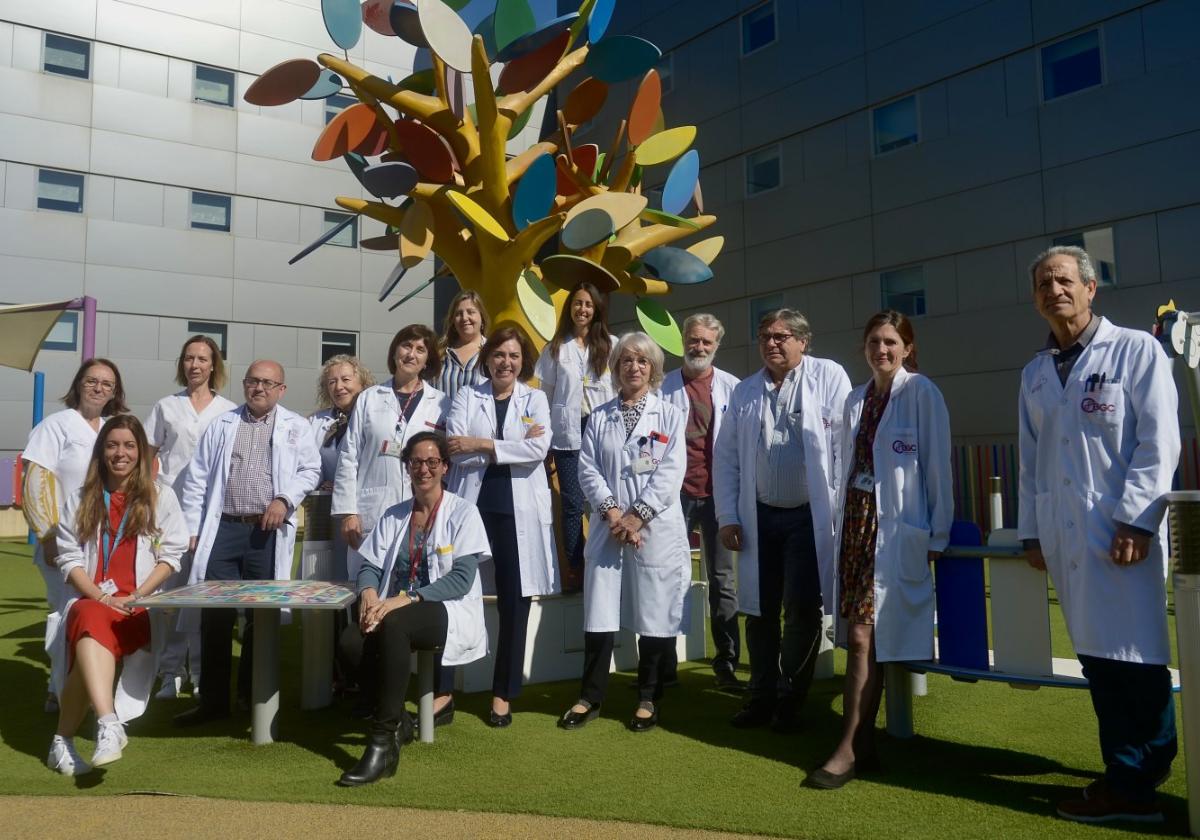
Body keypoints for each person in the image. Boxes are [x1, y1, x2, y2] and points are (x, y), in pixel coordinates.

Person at [1017, 246, 1180, 823]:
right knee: (1098, 659)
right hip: (1066, 540)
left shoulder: (1136, 350)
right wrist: (1032, 533)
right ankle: (1129, 775)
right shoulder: (1036, 373)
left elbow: (1158, 442)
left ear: (1091, 290)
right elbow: (1031, 460)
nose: (1053, 289)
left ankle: (1137, 781)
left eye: (1064, 280)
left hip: (1121, 534)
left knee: (1135, 658)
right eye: (1042, 282)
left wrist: (1138, 517)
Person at [807, 310, 952, 789]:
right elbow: (845, 467)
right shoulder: (855, 399)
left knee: (869, 639)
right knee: (860, 636)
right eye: (874, 342)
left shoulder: (921, 393)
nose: (882, 350)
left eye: (891, 342)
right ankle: (864, 744)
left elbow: (937, 467)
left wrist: (938, 534)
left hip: (895, 531)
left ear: (907, 347)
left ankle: (846, 748)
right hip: (857, 528)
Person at [714, 309, 851, 732]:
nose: (772, 343)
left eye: (782, 336)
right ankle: (761, 695)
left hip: (809, 518)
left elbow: (844, 447)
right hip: (759, 517)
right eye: (765, 337)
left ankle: (791, 699)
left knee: (802, 610)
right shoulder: (746, 391)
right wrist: (728, 515)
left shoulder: (828, 376)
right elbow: (727, 457)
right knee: (758, 609)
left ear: (803, 342)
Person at [336, 432, 491, 786]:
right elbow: (369, 567)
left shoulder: (463, 512)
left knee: (395, 625)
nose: (424, 469)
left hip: (446, 609)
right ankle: (402, 722)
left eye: (432, 462)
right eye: (417, 462)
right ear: (407, 467)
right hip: (394, 608)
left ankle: (383, 741)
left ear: (445, 468)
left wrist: (405, 599)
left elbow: (462, 580)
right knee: (350, 642)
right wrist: (370, 594)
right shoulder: (395, 515)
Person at [173, 360, 321, 725]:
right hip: (223, 529)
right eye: (254, 381)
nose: (260, 388)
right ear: (244, 385)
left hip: (266, 534)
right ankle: (213, 703)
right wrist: (193, 526)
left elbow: (311, 470)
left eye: (269, 383)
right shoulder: (223, 424)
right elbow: (197, 478)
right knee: (216, 619)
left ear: (281, 390)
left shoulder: (296, 427)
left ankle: (252, 697)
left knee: (260, 618)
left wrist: (284, 499)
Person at [558, 332, 689, 733]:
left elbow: (670, 471)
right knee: (600, 612)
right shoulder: (600, 416)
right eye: (626, 361)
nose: (634, 367)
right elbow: (587, 469)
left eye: (642, 361)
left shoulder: (668, 414)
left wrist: (637, 516)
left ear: (653, 370)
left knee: (651, 611)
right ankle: (590, 696)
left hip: (653, 529)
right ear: (615, 369)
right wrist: (615, 514)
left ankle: (648, 697)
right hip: (608, 527)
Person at [47, 416, 189, 775]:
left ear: (140, 451)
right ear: (101, 452)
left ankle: (61, 742)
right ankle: (108, 723)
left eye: (128, 445)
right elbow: (69, 557)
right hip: (90, 600)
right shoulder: (82, 497)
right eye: (112, 445)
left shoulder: (161, 496)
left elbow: (171, 555)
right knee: (91, 616)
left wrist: (137, 595)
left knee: (86, 652)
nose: (120, 453)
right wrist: (100, 596)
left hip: (137, 607)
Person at [332, 325, 454, 721]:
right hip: (372, 514)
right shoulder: (370, 398)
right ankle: (370, 696)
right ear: (395, 351)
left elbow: (444, 462)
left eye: (421, 349)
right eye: (407, 345)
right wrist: (348, 510)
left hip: (422, 518)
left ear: (428, 359)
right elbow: (349, 457)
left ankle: (424, 697)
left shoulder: (441, 403)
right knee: (367, 602)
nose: (412, 354)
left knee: (414, 601)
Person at [446, 326, 559, 727]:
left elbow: (537, 450)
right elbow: (454, 451)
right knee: (455, 593)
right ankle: (444, 690)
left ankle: (502, 694)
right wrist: (505, 448)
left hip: (518, 512)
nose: (505, 363)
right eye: (498, 355)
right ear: (487, 358)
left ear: (522, 360)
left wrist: (481, 445)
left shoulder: (536, 398)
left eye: (513, 356)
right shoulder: (466, 395)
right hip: (473, 508)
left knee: (515, 601)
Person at [22, 358, 127, 713]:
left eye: (107, 384)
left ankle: (92, 686)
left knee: (98, 615)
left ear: (115, 392)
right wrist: (48, 537)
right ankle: (59, 689)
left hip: (106, 545)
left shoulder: (113, 429)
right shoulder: (56, 426)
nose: (99, 388)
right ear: (78, 383)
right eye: (92, 380)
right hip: (64, 543)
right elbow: (35, 483)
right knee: (66, 614)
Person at [143, 335, 237, 699]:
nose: (195, 365)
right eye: (188, 358)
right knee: (169, 598)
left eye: (202, 358)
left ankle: (199, 673)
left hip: (211, 519)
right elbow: (147, 459)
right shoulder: (166, 406)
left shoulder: (229, 411)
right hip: (169, 515)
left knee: (200, 597)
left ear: (214, 365)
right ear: (181, 365)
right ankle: (169, 673)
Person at [660, 313, 742, 690]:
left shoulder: (733, 388)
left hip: (718, 497)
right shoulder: (661, 388)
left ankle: (725, 663)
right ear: (683, 341)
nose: (699, 347)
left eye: (707, 342)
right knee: (668, 579)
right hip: (674, 495)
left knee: (723, 581)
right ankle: (663, 665)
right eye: (694, 340)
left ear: (716, 345)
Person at [535, 282, 614, 588]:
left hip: (601, 433)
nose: (582, 309)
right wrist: (545, 442)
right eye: (577, 303)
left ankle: (603, 562)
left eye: (588, 305)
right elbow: (545, 397)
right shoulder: (555, 348)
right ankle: (575, 568)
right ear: (569, 309)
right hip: (567, 435)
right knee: (572, 503)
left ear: (596, 311)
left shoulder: (611, 345)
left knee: (602, 500)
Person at [308, 354, 375, 581]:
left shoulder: (374, 418)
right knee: (332, 577)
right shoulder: (317, 422)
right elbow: (306, 464)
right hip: (329, 514)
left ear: (362, 383)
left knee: (365, 574)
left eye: (346, 379)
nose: (339, 387)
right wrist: (321, 482)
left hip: (366, 509)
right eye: (332, 382)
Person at [434, 290, 489, 402]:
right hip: (442, 419)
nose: (464, 318)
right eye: (458, 314)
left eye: (471, 312)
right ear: (453, 321)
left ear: (482, 318)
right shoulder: (439, 353)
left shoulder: (492, 353)